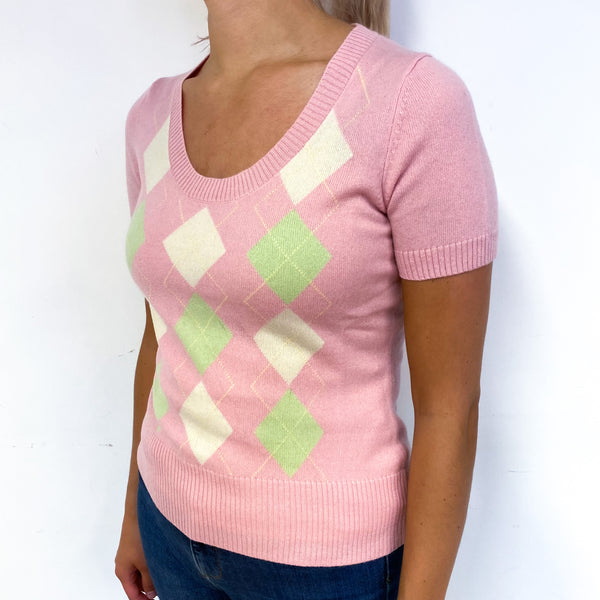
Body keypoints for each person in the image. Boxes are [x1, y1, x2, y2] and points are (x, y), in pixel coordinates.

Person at [114, 0, 498, 598]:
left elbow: (450, 406)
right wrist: (132, 512)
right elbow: (162, 336)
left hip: (327, 569)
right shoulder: (150, 118)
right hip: (167, 526)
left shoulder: (411, 103)